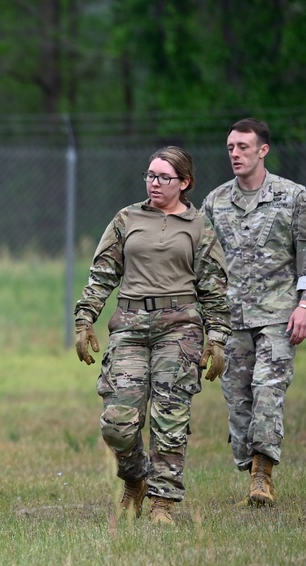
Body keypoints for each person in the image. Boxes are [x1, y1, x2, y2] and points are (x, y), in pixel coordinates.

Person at [75, 146, 230, 525]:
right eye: (150, 175)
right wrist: (85, 319)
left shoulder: (199, 227)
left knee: (170, 417)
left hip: (179, 329)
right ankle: (135, 477)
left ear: (184, 182)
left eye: (164, 177)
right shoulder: (127, 218)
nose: (154, 182)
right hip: (129, 325)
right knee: (117, 421)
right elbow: (103, 274)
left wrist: (218, 337)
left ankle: (164, 501)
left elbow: (214, 287)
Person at [201, 118, 306, 506]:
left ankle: (264, 473)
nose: (235, 153)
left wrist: (304, 305)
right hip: (231, 318)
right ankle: (251, 474)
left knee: (267, 391)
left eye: (243, 147)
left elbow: (305, 255)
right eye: (230, 147)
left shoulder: (293, 197)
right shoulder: (214, 202)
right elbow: (204, 264)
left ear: (263, 150)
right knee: (238, 399)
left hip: (278, 313)